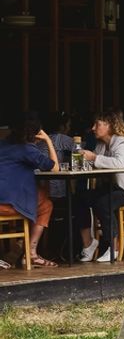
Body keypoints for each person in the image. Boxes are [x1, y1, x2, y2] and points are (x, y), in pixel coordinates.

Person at [77, 110, 124, 262]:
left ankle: (113, 248)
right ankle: (88, 243)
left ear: (109, 126)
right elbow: (96, 164)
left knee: (104, 203)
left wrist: (94, 158)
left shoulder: (123, 143)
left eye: (97, 124)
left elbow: (118, 163)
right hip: (114, 187)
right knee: (81, 198)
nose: (93, 128)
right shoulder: (102, 145)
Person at [0, 111, 57, 268]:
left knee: (42, 196)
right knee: (46, 205)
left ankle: (21, 246)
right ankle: (30, 253)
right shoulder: (27, 150)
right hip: (7, 204)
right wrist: (47, 140)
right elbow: (55, 168)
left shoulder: (2, 144)